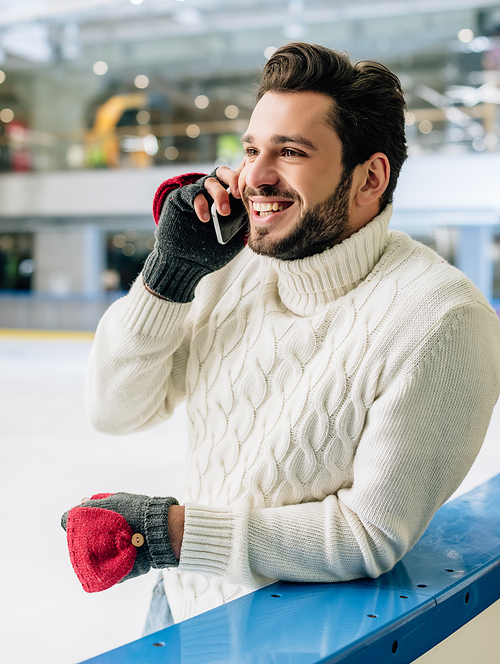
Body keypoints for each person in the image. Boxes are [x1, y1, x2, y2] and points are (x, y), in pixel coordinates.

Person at [62, 42, 500, 632]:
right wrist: (170, 274)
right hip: (178, 606)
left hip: (280, 632)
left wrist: (168, 534)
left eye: (290, 151)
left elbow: (370, 533)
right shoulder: (230, 267)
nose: (256, 177)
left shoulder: (441, 318)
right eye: (250, 150)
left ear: (370, 177)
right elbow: (115, 410)